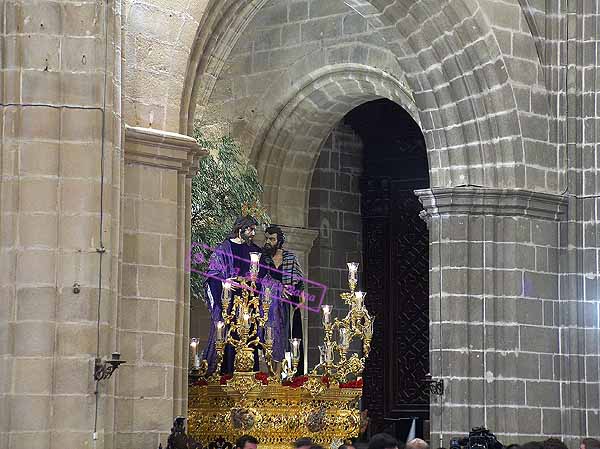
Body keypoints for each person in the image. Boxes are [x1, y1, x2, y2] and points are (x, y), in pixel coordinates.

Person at [202, 216, 261, 373]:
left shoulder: (255, 251)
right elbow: (212, 275)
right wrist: (226, 282)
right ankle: (226, 374)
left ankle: (249, 374)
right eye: (250, 229)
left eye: (254, 229)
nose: (253, 233)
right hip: (229, 302)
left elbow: (261, 278)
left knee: (249, 336)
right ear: (240, 229)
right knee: (229, 336)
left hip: (249, 302)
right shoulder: (223, 249)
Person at [261, 225, 306, 373]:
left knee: (282, 335)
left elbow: (299, 281)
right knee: (268, 336)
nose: (268, 241)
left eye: (272, 239)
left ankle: (279, 374)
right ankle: (269, 372)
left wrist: (300, 295)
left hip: (284, 304)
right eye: (267, 238)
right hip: (267, 304)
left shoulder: (290, 258)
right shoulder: (263, 258)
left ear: (279, 241)